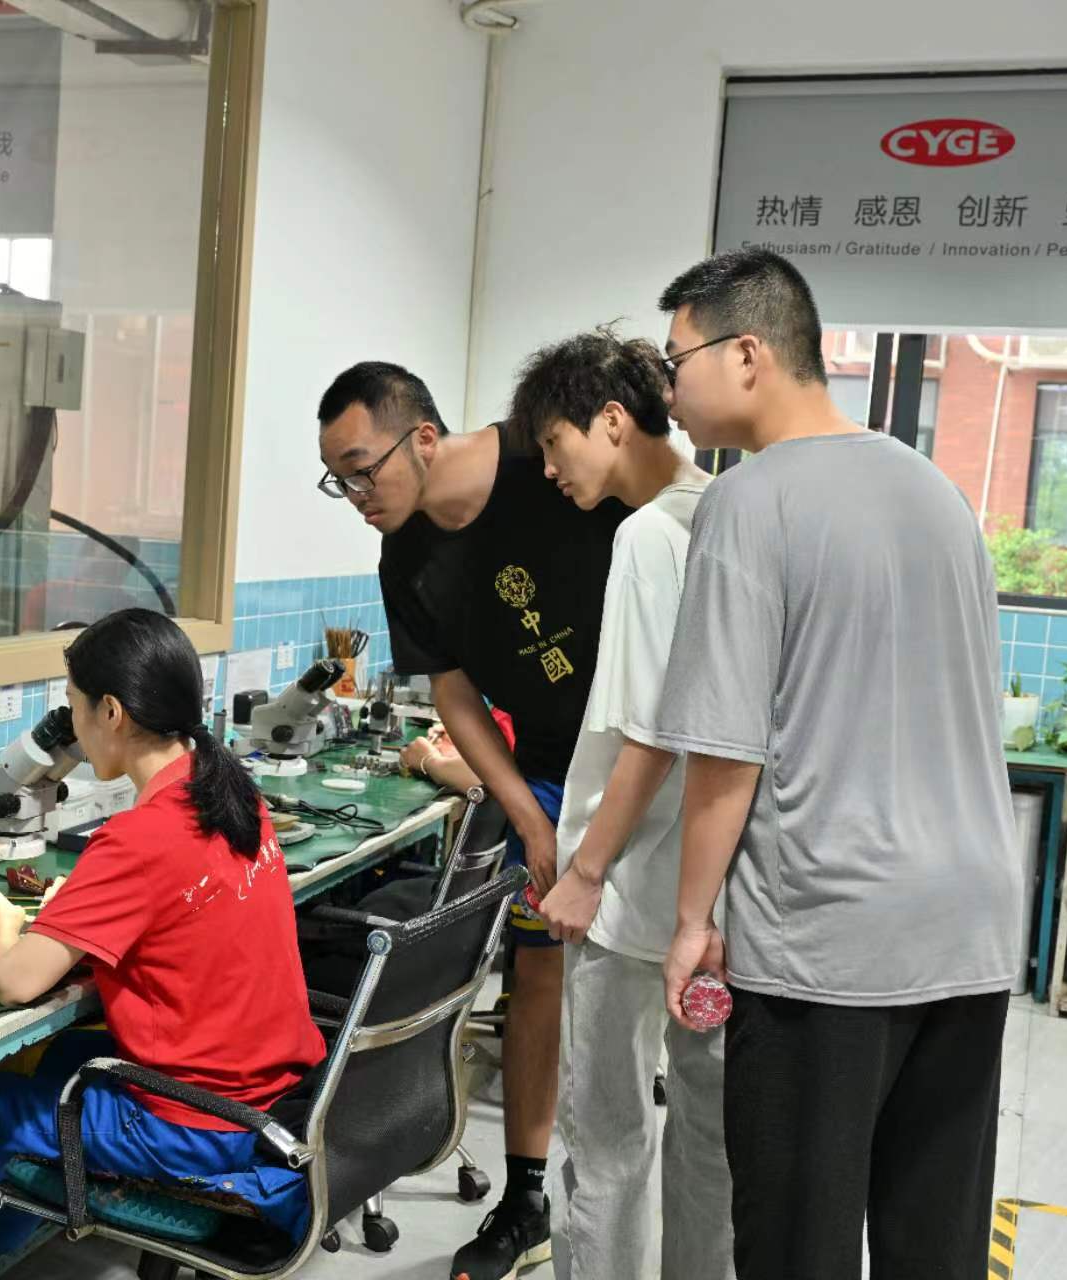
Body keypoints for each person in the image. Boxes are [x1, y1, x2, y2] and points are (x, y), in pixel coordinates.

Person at [646, 249, 1019, 1280]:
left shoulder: (747, 501)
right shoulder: (936, 490)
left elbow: (725, 752)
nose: (669, 389)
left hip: (829, 936)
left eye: (676, 361)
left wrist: (691, 922)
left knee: (796, 1245)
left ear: (747, 354)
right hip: (971, 926)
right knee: (933, 1246)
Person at [0, 608, 327, 1280]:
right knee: (67, 1055)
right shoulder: (233, 794)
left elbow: (15, 982)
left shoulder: (139, 837)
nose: (72, 725)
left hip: (197, 1128)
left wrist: (0, 922)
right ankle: (0, 1236)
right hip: (270, 1094)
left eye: (74, 705)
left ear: (112, 713)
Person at [317, 363, 626, 1280]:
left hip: (646, 753)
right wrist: (526, 811)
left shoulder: (550, 465)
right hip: (549, 770)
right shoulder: (405, 556)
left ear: (423, 438)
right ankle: (527, 1201)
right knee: (539, 977)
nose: (357, 498)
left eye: (362, 471)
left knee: (641, 993)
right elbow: (453, 692)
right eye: (339, 480)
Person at [508, 328, 732, 1280]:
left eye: (553, 444)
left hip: (627, 887)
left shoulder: (645, 536)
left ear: (609, 420)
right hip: (709, 893)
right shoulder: (724, 513)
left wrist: (585, 871)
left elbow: (650, 731)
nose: (550, 469)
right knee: (710, 1139)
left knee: (604, 1140)